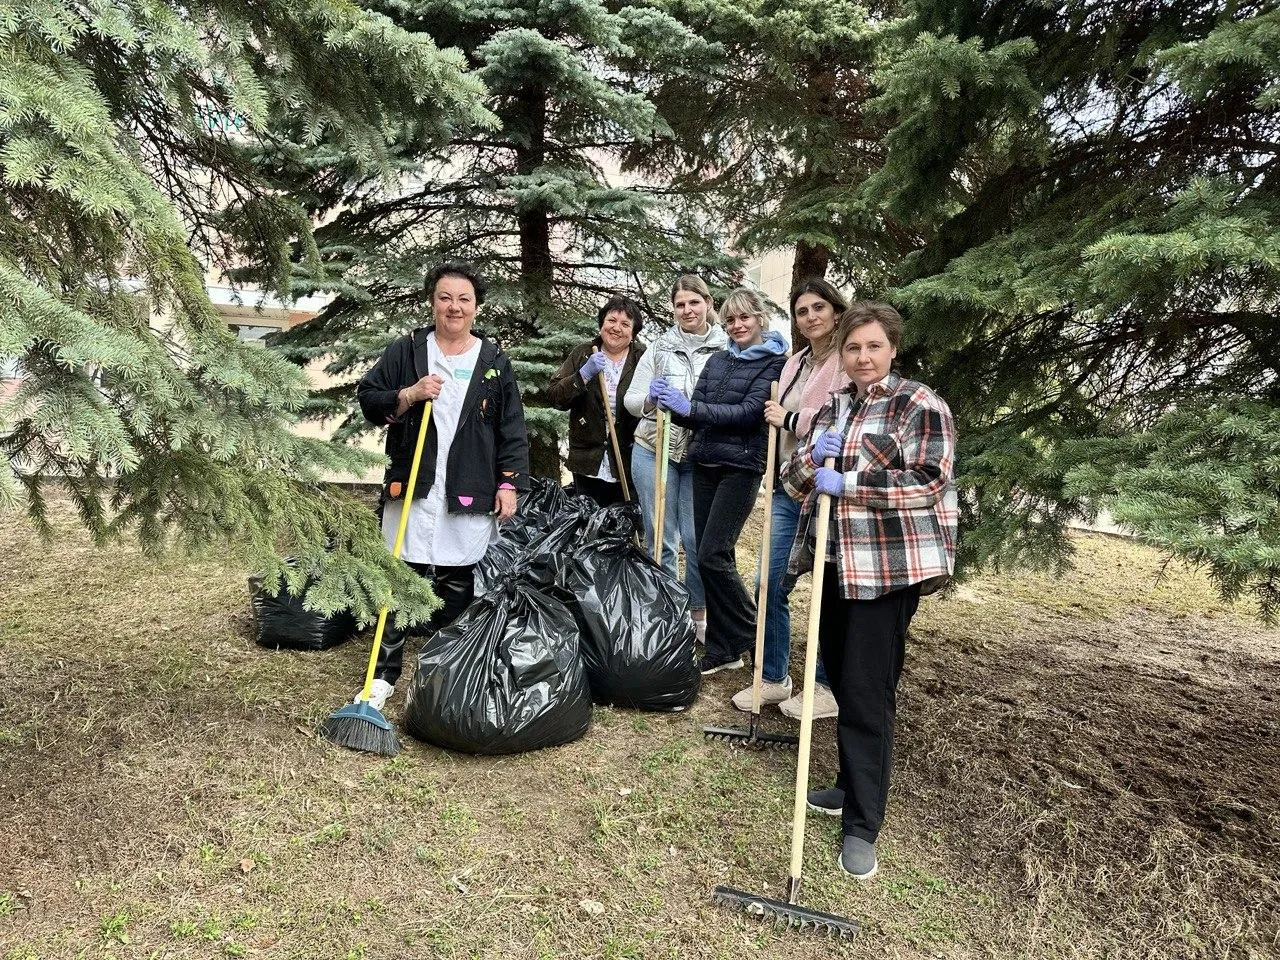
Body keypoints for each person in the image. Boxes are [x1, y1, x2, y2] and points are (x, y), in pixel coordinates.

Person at [781, 302, 957, 881]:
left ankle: (862, 823)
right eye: (854, 348)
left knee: (865, 689)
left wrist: (850, 480)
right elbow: (796, 479)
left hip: (886, 570)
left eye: (873, 347)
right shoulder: (835, 405)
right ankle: (847, 783)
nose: (862, 357)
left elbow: (929, 480)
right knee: (835, 670)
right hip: (835, 561)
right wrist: (813, 462)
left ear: (892, 348)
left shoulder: (918, 404)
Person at [355, 261, 530, 710]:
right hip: (413, 481)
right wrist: (409, 395)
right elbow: (369, 399)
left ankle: (449, 666)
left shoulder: (492, 361)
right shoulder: (409, 350)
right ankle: (383, 674)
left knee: (456, 578)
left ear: (476, 307)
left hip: (466, 485)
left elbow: (511, 429)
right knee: (399, 572)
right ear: (432, 301)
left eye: (464, 299)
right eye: (445, 297)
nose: (454, 306)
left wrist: (507, 484)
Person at [731, 278, 850, 720]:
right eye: (802, 311)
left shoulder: (846, 360)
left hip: (826, 488)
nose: (811, 317)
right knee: (769, 583)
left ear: (836, 311)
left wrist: (790, 418)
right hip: (787, 484)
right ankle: (774, 676)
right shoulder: (794, 362)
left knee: (824, 589)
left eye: (819, 308)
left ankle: (823, 685)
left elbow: (836, 421)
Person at [655, 288, 787, 673]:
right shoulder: (717, 360)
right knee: (707, 556)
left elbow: (749, 413)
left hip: (741, 467)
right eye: (730, 319)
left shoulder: (775, 365)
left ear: (760, 319)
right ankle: (722, 647)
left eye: (745, 317)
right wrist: (672, 404)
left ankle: (749, 628)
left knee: (713, 553)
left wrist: (691, 407)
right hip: (705, 462)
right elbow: (695, 414)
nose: (738, 325)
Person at [623, 275, 727, 640]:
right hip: (654, 449)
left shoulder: (726, 347)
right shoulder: (658, 347)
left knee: (696, 538)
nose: (687, 310)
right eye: (680, 304)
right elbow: (632, 402)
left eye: (694, 302)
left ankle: (698, 610)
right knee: (659, 535)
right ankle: (663, 607)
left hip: (701, 455)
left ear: (708, 302)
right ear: (673, 308)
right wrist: (650, 398)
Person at [546, 296, 646, 506]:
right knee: (589, 526)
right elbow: (555, 397)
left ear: (633, 333)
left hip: (628, 459)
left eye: (625, 324)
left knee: (624, 525)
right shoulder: (583, 353)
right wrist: (582, 375)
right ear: (602, 323)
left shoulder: (642, 358)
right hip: (588, 460)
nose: (616, 328)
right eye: (611, 320)